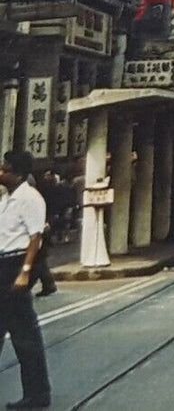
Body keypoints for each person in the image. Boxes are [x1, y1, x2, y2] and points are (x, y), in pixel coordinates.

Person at [0, 151, 51, 409]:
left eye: (5, 169)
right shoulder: (6, 199)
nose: (1, 173)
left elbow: (35, 237)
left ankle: (37, 394)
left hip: (16, 265)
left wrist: (25, 271)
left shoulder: (30, 198)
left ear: (18, 174)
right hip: (2, 263)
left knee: (24, 335)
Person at [30, 172, 63, 299]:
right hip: (44, 226)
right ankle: (48, 284)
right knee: (40, 259)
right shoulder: (40, 193)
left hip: (41, 228)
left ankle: (33, 285)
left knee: (38, 259)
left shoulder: (34, 197)